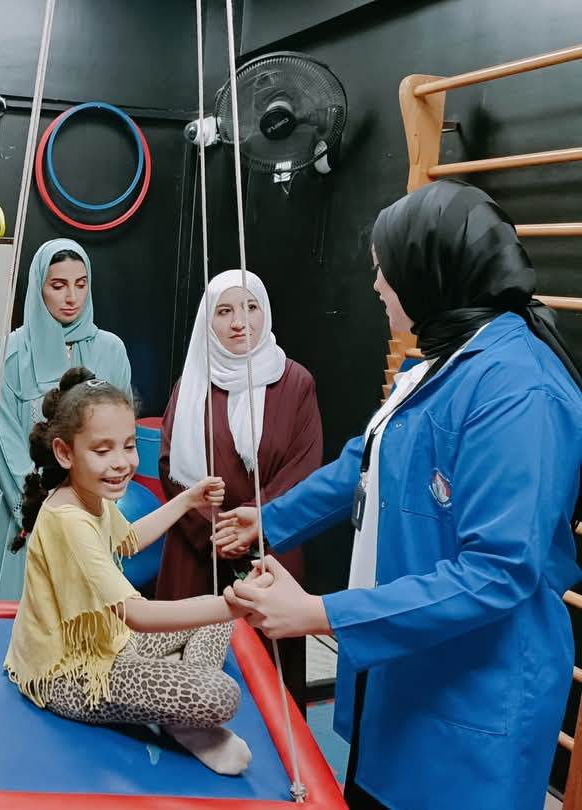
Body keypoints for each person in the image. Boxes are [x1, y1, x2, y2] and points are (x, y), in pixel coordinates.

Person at [217, 179, 582, 809]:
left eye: (384, 270)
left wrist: (320, 614)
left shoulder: (519, 389)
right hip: (406, 668)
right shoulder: (441, 358)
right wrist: (269, 519)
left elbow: (497, 571)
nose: (377, 286)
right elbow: (366, 463)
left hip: (474, 693)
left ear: (427, 270)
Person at [5, 367, 273, 776]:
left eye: (128, 446)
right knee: (221, 695)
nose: (121, 463)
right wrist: (234, 605)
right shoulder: (68, 520)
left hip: (111, 642)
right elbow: (138, 615)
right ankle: (184, 718)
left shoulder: (90, 495)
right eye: (102, 450)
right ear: (65, 452)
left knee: (216, 623)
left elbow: (128, 539)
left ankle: (177, 711)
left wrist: (187, 500)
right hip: (71, 674)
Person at [157, 270, 322, 710]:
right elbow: (171, 468)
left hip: (270, 552)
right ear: (207, 321)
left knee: (268, 689)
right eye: (224, 311)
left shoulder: (295, 383)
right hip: (196, 550)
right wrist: (216, 531)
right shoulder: (190, 384)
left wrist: (251, 527)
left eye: (250, 307)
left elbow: (302, 468)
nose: (239, 322)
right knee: (184, 689)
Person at [0, 239, 132, 600]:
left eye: (81, 284)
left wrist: (89, 505)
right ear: (39, 287)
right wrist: (43, 512)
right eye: (59, 285)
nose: (71, 297)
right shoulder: (10, 353)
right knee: (27, 614)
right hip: (28, 511)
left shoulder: (111, 349)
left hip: (93, 512)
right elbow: (6, 444)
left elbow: (122, 432)